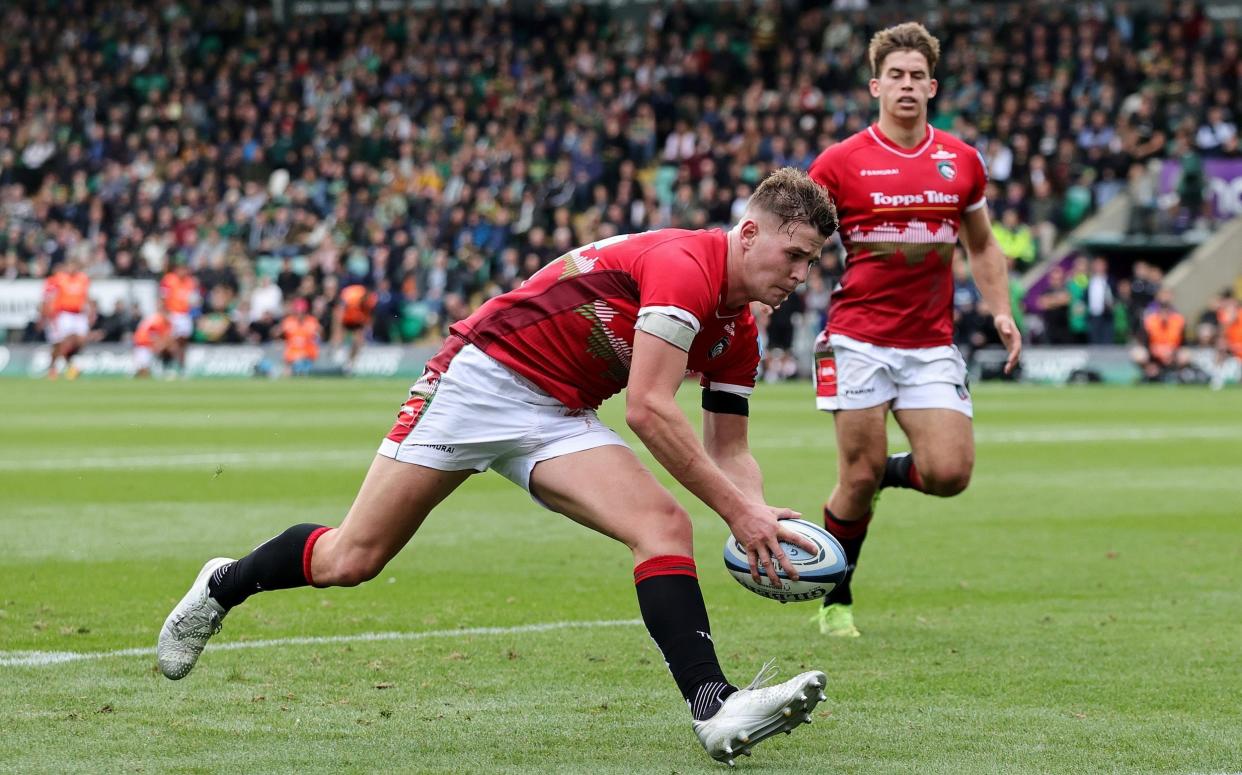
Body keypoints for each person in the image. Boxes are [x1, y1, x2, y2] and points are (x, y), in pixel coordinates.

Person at [157, 169, 837, 764]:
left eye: (811, 263)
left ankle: (714, 706)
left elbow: (731, 452)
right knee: (351, 558)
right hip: (480, 377)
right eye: (795, 255)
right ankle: (222, 583)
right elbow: (650, 410)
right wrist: (737, 511)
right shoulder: (685, 265)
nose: (800, 276)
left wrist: (761, 518)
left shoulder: (740, 329)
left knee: (661, 525)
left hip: (558, 412)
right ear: (749, 233)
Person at [805, 23, 1021, 638]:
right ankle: (835, 598)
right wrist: (760, 301)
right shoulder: (840, 163)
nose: (906, 85)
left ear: (933, 86)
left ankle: (889, 472)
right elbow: (800, 237)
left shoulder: (962, 161)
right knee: (856, 477)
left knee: (950, 474)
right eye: (894, 75)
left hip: (930, 343)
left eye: (916, 76)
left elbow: (982, 247)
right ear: (876, 85)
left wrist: (1001, 308)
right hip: (855, 338)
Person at [42, 257, 92, 379]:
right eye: (69, 266)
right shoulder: (59, 279)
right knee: (61, 343)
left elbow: (86, 296)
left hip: (79, 315)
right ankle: (56, 368)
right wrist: (49, 313)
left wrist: (90, 311)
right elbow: (48, 295)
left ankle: (69, 366)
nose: (71, 269)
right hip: (64, 314)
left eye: (74, 266)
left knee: (80, 341)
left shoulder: (83, 279)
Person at [159, 260, 200, 376]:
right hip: (172, 314)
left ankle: (181, 367)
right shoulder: (169, 280)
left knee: (183, 343)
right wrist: (164, 314)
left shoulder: (190, 282)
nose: (182, 271)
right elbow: (162, 298)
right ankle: (167, 365)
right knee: (170, 342)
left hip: (185, 315)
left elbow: (194, 300)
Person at [333, 282, 378, 373]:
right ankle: (336, 351)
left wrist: (368, 329)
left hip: (358, 318)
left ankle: (350, 363)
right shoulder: (351, 295)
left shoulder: (372, 300)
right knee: (339, 334)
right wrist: (337, 329)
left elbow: (371, 315)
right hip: (346, 316)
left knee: (358, 340)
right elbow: (339, 313)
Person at [280, 297, 322, 377]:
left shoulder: (312, 321)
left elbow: (319, 335)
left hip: (308, 355)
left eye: (302, 311)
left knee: (303, 368)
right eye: (298, 311)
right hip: (292, 355)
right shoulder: (288, 321)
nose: (300, 314)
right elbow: (278, 334)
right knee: (295, 367)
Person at [133, 304, 174, 378]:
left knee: (144, 368)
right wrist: (158, 345)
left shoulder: (156, 318)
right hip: (144, 344)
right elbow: (152, 334)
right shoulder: (159, 320)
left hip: (142, 343)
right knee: (144, 369)